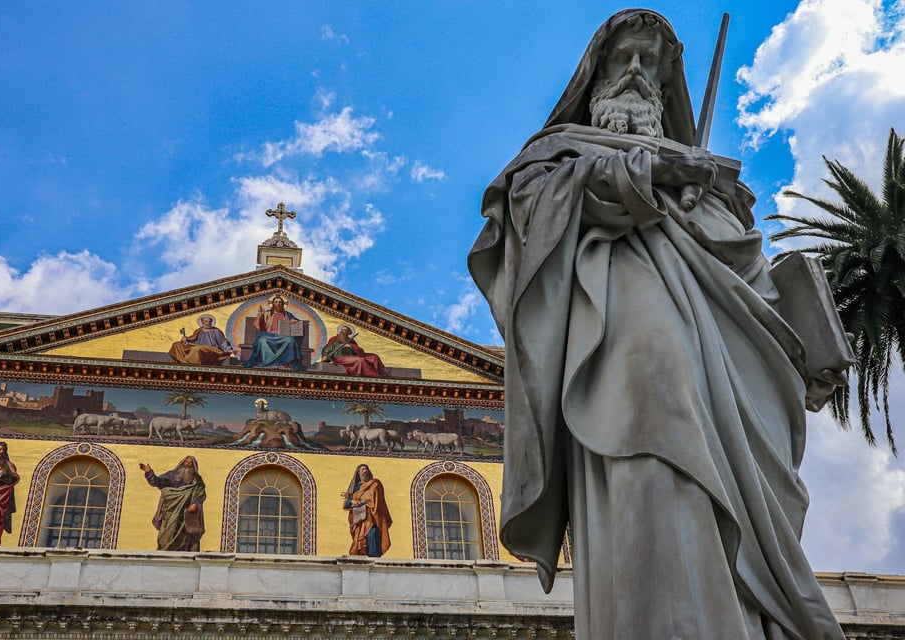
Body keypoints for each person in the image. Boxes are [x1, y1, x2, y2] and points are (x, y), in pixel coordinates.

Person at [468, 9, 846, 639]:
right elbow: (527, 216)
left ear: (670, 83)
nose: (638, 73)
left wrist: (804, 339)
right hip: (620, 327)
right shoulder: (557, 158)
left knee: (729, 478)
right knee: (649, 431)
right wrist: (647, 175)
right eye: (625, 58)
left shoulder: (712, 180)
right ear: (596, 75)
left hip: (731, 361)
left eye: (652, 62)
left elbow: (744, 272)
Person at [140, 456, 206, 551]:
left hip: (186, 514)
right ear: (182, 463)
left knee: (186, 537)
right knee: (166, 534)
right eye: (186, 462)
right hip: (171, 512)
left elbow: (200, 492)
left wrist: (195, 503)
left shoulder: (196, 479)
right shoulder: (171, 475)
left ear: (193, 465)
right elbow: (158, 482)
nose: (187, 464)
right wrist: (149, 473)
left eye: (190, 462)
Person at [341, 464, 391, 557]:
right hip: (359, 518)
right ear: (358, 473)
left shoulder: (375, 484)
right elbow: (347, 502)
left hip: (372, 516)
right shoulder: (356, 487)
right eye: (362, 469)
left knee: (372, 534)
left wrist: (360, 501)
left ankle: (374, 557)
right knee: (360, 539)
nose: (365, 471)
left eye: (366, 469)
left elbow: (376, 499)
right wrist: (352, 501)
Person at [243, 296, 305, 370]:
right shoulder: (267, 313)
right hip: (269, 335)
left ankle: (284, 363)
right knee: (262, 340)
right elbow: (260, 326)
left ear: (283, 304)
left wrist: (294, 321)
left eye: (280, 302)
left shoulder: (287, 314)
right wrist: (261, 316)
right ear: (272, 304)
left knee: (290, 340)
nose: (278, 304)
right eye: (276, 302)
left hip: (282, 336)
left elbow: (297, 322)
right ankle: (268, 363)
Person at [321, 324, 387, 377]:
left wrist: (351, 347)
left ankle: (380, 373)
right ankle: (373, 375)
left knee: (374, 357)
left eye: (346, 330)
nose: (344, 331)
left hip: (352, 357)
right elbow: (327, 350)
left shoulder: (351, 341)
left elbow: (358, 351)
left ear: (348, 333)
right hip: (340, 358)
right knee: (360, 360)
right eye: (343, 330)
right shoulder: (335, 339)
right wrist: (325, 356)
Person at [168, 314, 237, 365]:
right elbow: (192, 340)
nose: (208, 323)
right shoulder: (199, 331)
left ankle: (188, 364)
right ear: (202, 322)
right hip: (197, 347)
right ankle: (182, 361)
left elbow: (223, 342)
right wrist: (185, 340)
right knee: (177, 344)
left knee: (196, 349)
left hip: (212, 349)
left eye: (209, 321)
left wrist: (228, 349)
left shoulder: (216, 331)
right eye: (206, 321)